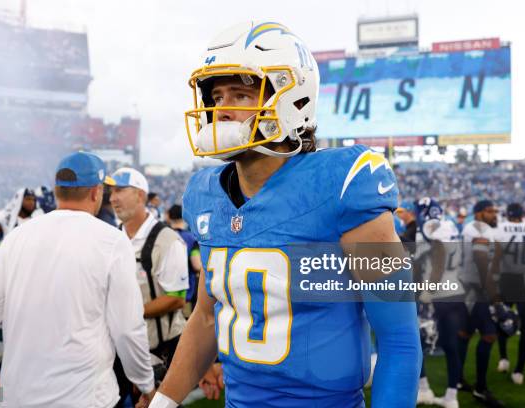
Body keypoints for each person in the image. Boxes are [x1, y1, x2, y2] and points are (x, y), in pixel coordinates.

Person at [148, 21, 421, 408]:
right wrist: (164, 401)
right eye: (216, 95)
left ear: (292, 100)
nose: (220, 109)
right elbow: (208, 318)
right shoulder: (205, 195)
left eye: (240, 94)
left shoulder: (341, 184)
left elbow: (398, 339)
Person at [0, 152, 155, 408]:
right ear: (96, 192)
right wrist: (145, 383)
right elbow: (127, 328)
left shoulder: (17, 237)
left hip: (18, 397)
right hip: (85, 398)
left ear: (56, 190)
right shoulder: (112, 242)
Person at [107, 167, 188, 407]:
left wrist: (126, 313)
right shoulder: (112, 239)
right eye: (111, 192)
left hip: (161, 350)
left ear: (141, 195)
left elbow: (176, 298)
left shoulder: (167, 240)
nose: (112, 198)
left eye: (120, 190)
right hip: (122, 349)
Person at [413, 198, 466, 408]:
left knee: (418, 344)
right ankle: (452, 396)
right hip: (455, 292)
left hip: (435, 296)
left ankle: (424, 389)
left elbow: (439, 256)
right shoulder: (451, 225)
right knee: (451, 346)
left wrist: (427, 291)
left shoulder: (429, 228)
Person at [459, 199, 504, 407]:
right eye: (488, 211)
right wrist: (494, 297)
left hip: (469, 287)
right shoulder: (477, 228)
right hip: (477, 290)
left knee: (465, 334)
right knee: (489, 335)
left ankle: (457, 379)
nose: (493, 214)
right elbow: (481, 262)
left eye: (494, 210)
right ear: (478, 213)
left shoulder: (479, 228)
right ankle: (480, 388)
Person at [493, 203, 525, 385]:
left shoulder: (500, 229)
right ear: (523, 214)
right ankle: (519, 370)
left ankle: (504, 358)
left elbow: (495, 258)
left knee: (501, 319)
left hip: (506, 280)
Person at [167, 204, 202, 310]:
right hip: (185, 293)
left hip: (165, 292)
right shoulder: (191, 238)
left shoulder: (163, 236)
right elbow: (196, 265)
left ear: (168, 216)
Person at [0, 188, 39, 252]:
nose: (32, 202)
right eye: (28, 199)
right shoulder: (4, 218)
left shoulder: (37, 221)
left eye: (34, 200)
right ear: (19, 200)